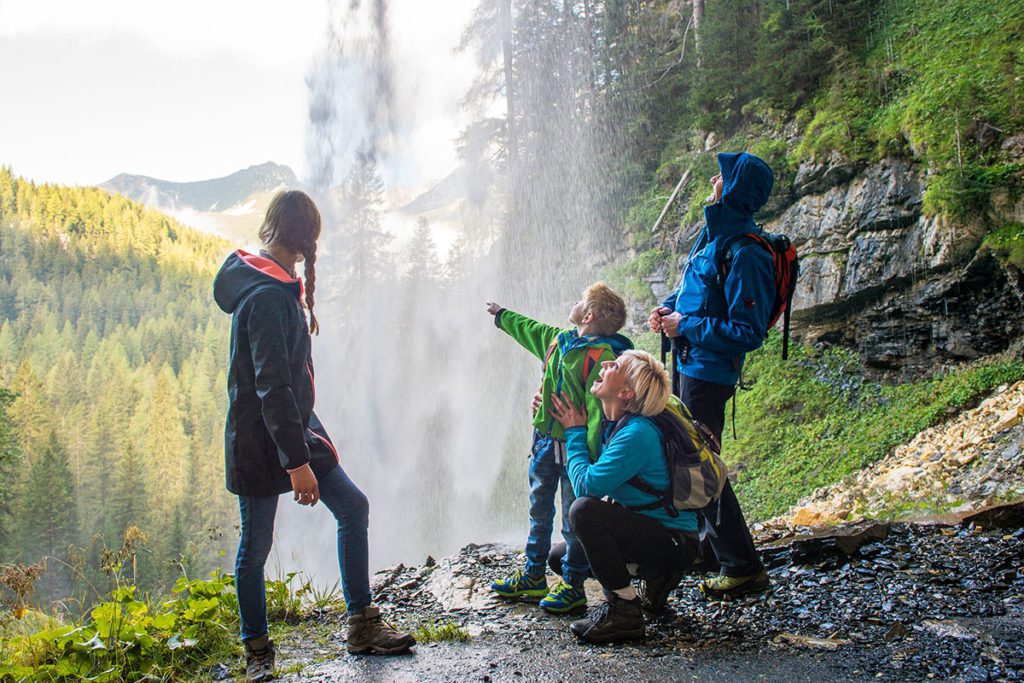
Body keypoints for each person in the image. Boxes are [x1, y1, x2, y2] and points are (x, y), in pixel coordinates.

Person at [213, 190, 414, 681]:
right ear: (306, 240)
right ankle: (257, 650)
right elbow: (272, 387)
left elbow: (285, 388)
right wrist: (297, 462)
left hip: (296, 429)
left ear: (271, 228)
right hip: (262, 442)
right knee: (256, 546)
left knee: (352, 507)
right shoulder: (264, 296)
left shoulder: (278, 286)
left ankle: (361, 624)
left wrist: (302, 447)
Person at [648, 151, 774, 599]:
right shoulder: (714, 237)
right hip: (687, 364)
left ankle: (742, 566)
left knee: (699, 466)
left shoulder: (746, 253)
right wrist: (669, 309)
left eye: (723, 175)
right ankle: (711, 547)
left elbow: (748, 330)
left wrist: (686, 326)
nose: (713, 179)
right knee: (694, 459)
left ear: (735, 188)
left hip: (708, 373)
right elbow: (694, 292)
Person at [485, 284, 633, 614]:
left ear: (589, 314)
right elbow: (531, 330)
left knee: (571, 519)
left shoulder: (602, 358)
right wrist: (503, 317)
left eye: (581, 301)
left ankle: (572, 584)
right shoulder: (560, 340)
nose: (575, 304)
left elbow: (599, 412)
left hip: (572, 448)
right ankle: (534, 575)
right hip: (542, 442)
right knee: (538, 510)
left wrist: (590, 452)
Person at [548, 350, 698, 643]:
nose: (605, 364)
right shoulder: (619, 424)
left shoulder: (637, 434)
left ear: (626, 392)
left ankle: (625, 611)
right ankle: (654, 577)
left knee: (584, 511)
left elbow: (587, 487)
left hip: (673, 540)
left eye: (614, 365)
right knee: (561, 557)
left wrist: (575, 433)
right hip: (652, 533)